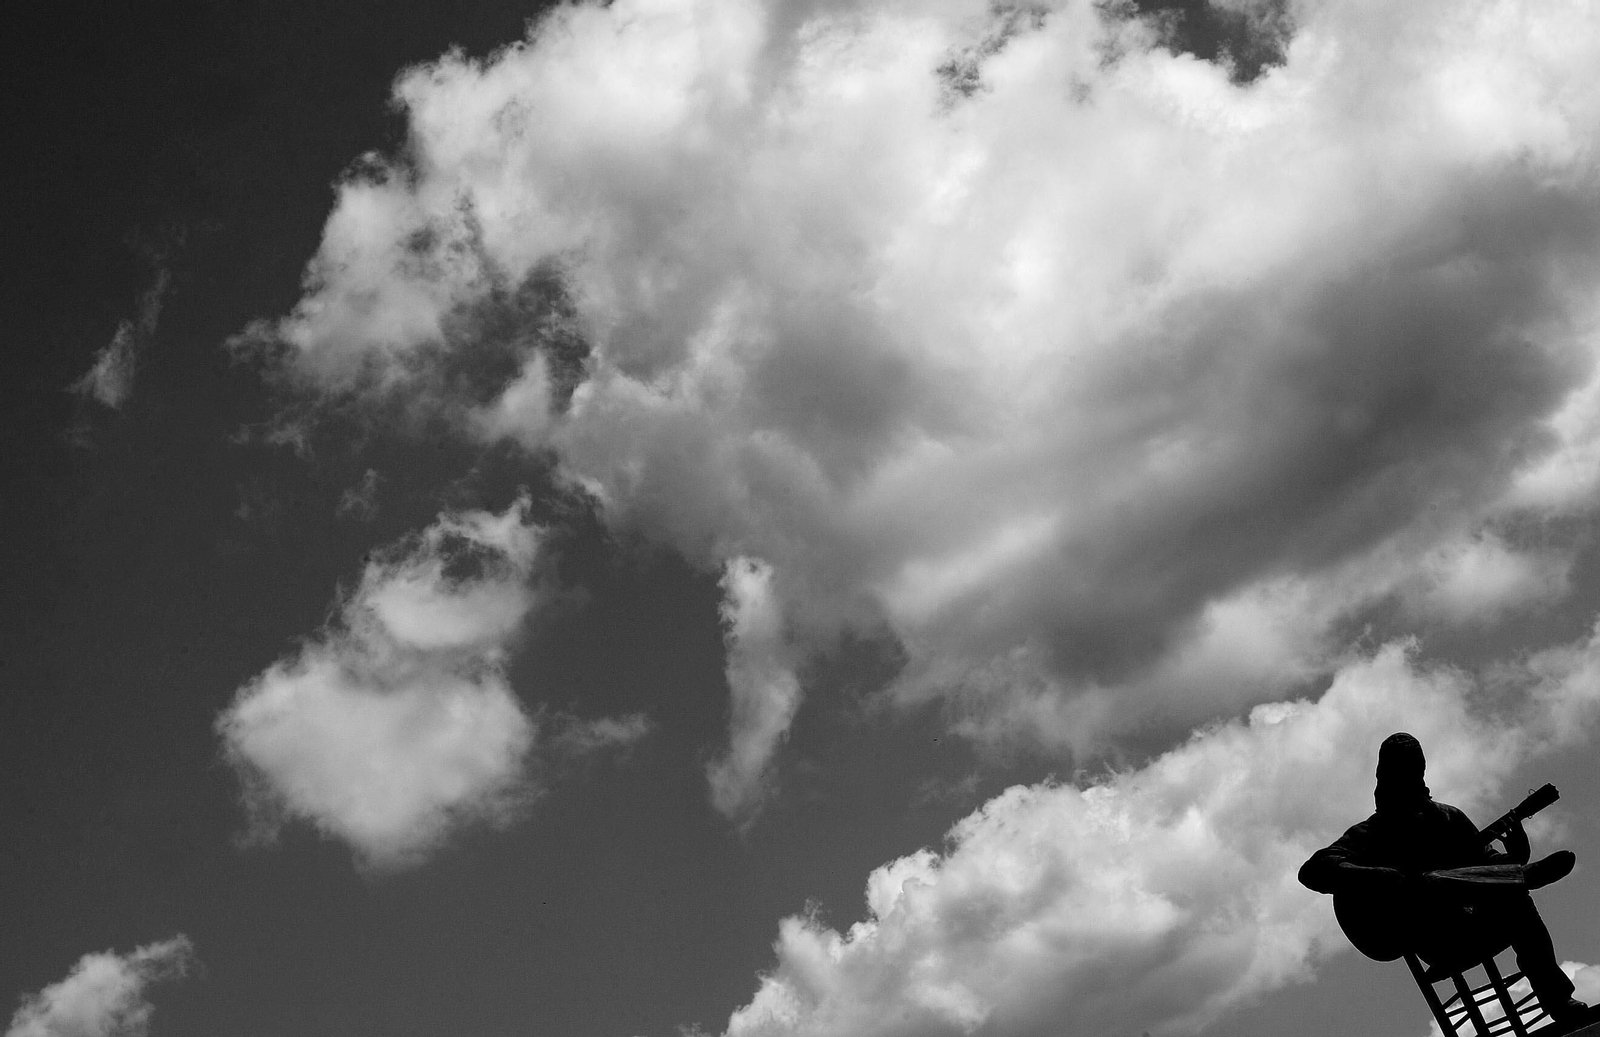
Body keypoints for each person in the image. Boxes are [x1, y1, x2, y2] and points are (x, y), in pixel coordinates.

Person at [1299, 733, 1588, 1026]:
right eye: (1401, 771)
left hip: (1476, 927)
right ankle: (1524, 877)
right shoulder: (1371, 834)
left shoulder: (1449, 818)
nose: (1409, 779)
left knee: (1517, 898)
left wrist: (1515, 857)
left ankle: (1558, 1000)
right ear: (1385, 776)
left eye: (1414, 770)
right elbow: (1312, 871)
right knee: (1426, 882)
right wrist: (1383, 877)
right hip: (1436, 942)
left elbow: (1489, 869)